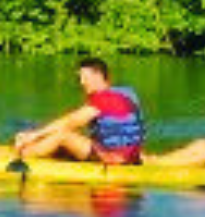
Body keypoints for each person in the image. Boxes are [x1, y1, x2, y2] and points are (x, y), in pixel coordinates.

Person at [9, 57, 144, 164]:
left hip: (112, 157)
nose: (81, 83)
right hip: (129, 154)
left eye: (85, 78)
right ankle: (31, 147)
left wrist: (34, 135)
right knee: (58, 140)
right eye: (80, 78)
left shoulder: (104, 99)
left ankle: (21, 155)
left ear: (98, 76)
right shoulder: (125, 92)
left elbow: (70, 122)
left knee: (62, 136)